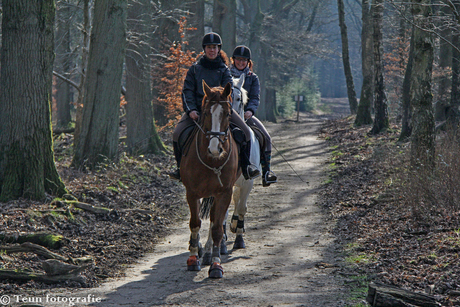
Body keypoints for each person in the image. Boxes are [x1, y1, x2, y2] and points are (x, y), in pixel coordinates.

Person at [169, 33, 260, 181]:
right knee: (177, 133)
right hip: (198, 111)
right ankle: (180, 168)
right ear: (204, 49)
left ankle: (246, 167)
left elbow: (229, 91)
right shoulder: (194, 69)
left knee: (246, 132)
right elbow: (187, 91)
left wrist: (223, 108)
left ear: (219, 50)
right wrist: (191, 110)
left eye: (215, 47)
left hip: (220, 111)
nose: (212, 50)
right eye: (209, 47)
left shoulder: (224, 70)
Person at [230, 45, 277, 187]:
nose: (241, 62)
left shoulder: (253, 78)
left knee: (266, 138)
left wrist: (250, 110)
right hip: (226, 114)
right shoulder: (225, 74)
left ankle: (266, 172)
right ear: (234, 60)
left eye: (244, 60)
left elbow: (255, 98)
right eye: (238, 59)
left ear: (248, 62)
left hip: (245, 115)